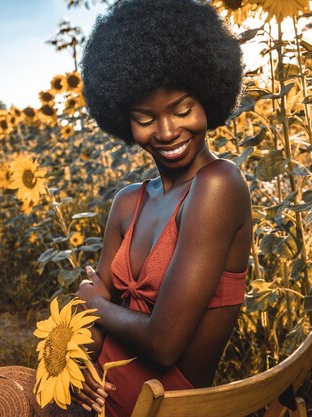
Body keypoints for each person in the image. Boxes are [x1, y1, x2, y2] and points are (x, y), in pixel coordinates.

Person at [73, 0, 252, 416]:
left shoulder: (218, 186)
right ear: (122, 119)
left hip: (160, 401)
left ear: (209, 97)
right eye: (145, 118)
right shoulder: (127, 202)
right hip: (96, 385)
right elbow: (90, 324)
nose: (168, 131)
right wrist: (79, 359)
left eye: (182, 109)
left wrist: (93, 304)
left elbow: (164, 344)